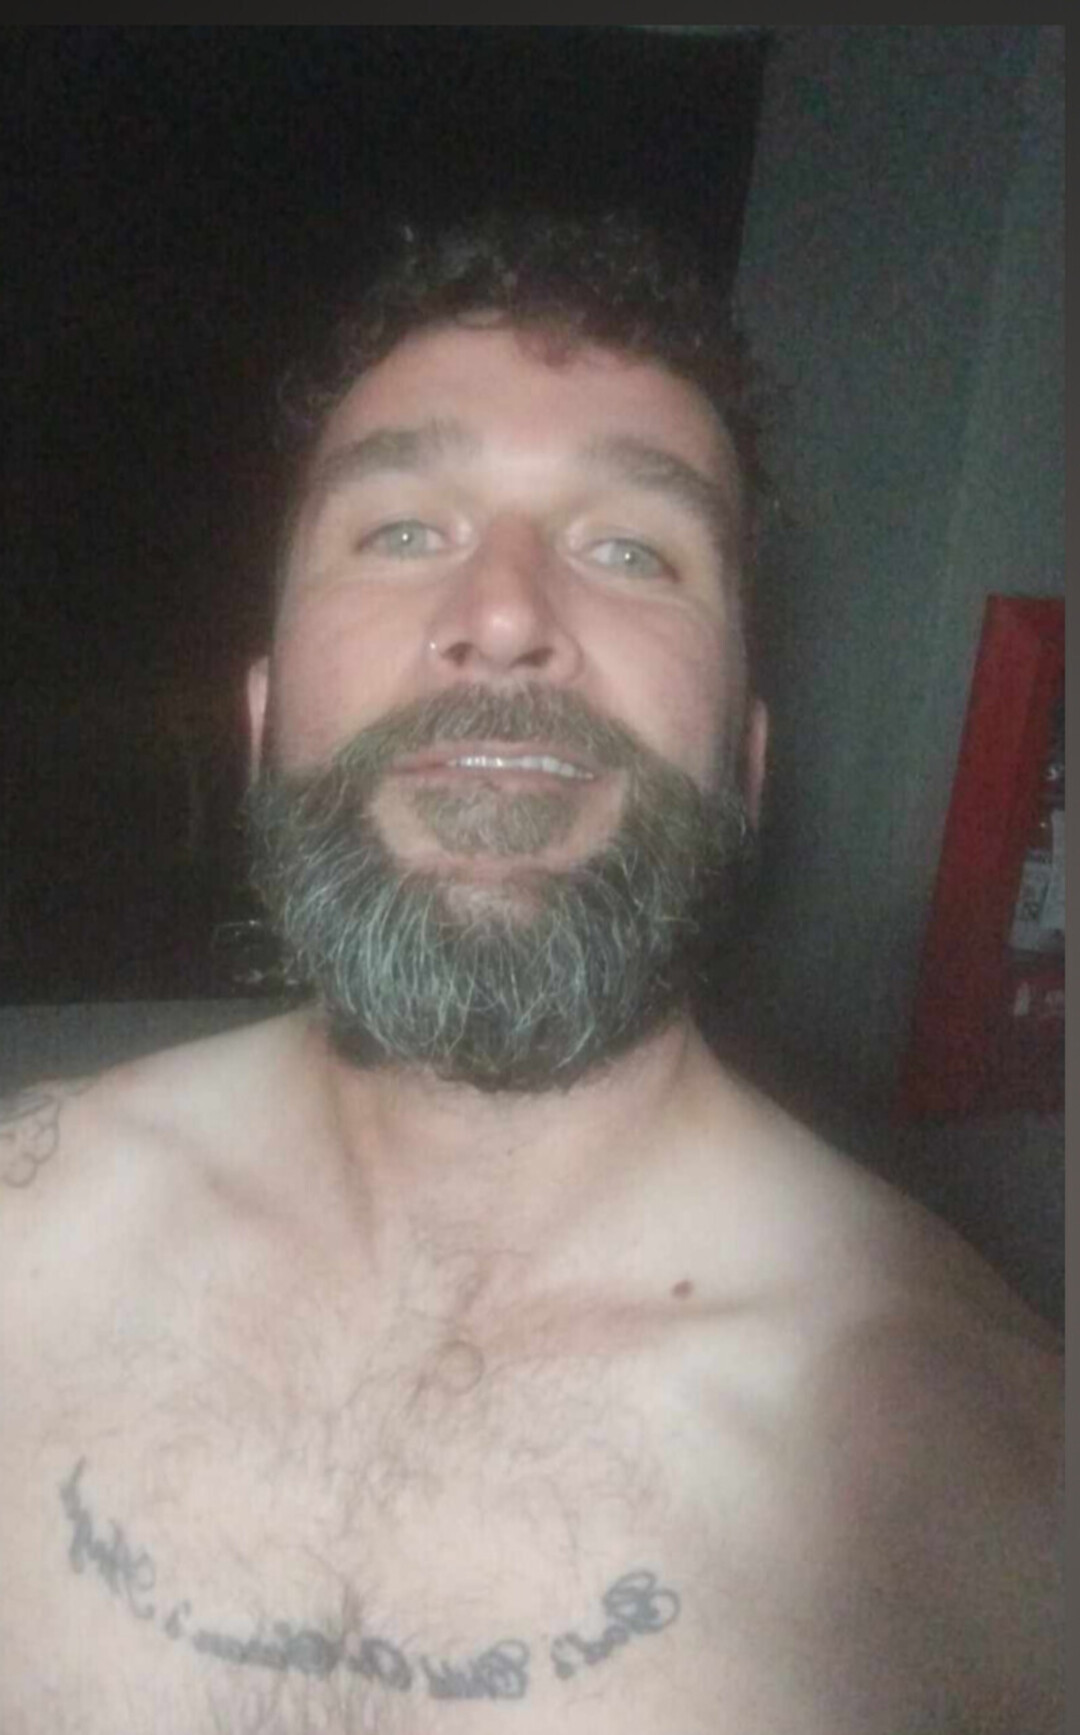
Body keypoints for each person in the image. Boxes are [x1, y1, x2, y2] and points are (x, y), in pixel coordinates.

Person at [0, 214, 1061, 1734]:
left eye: (630, 549)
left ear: (746, 761)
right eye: (401, 533)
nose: (503, 616)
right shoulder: (22, 1242)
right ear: (263, 717)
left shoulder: (999, 1501)